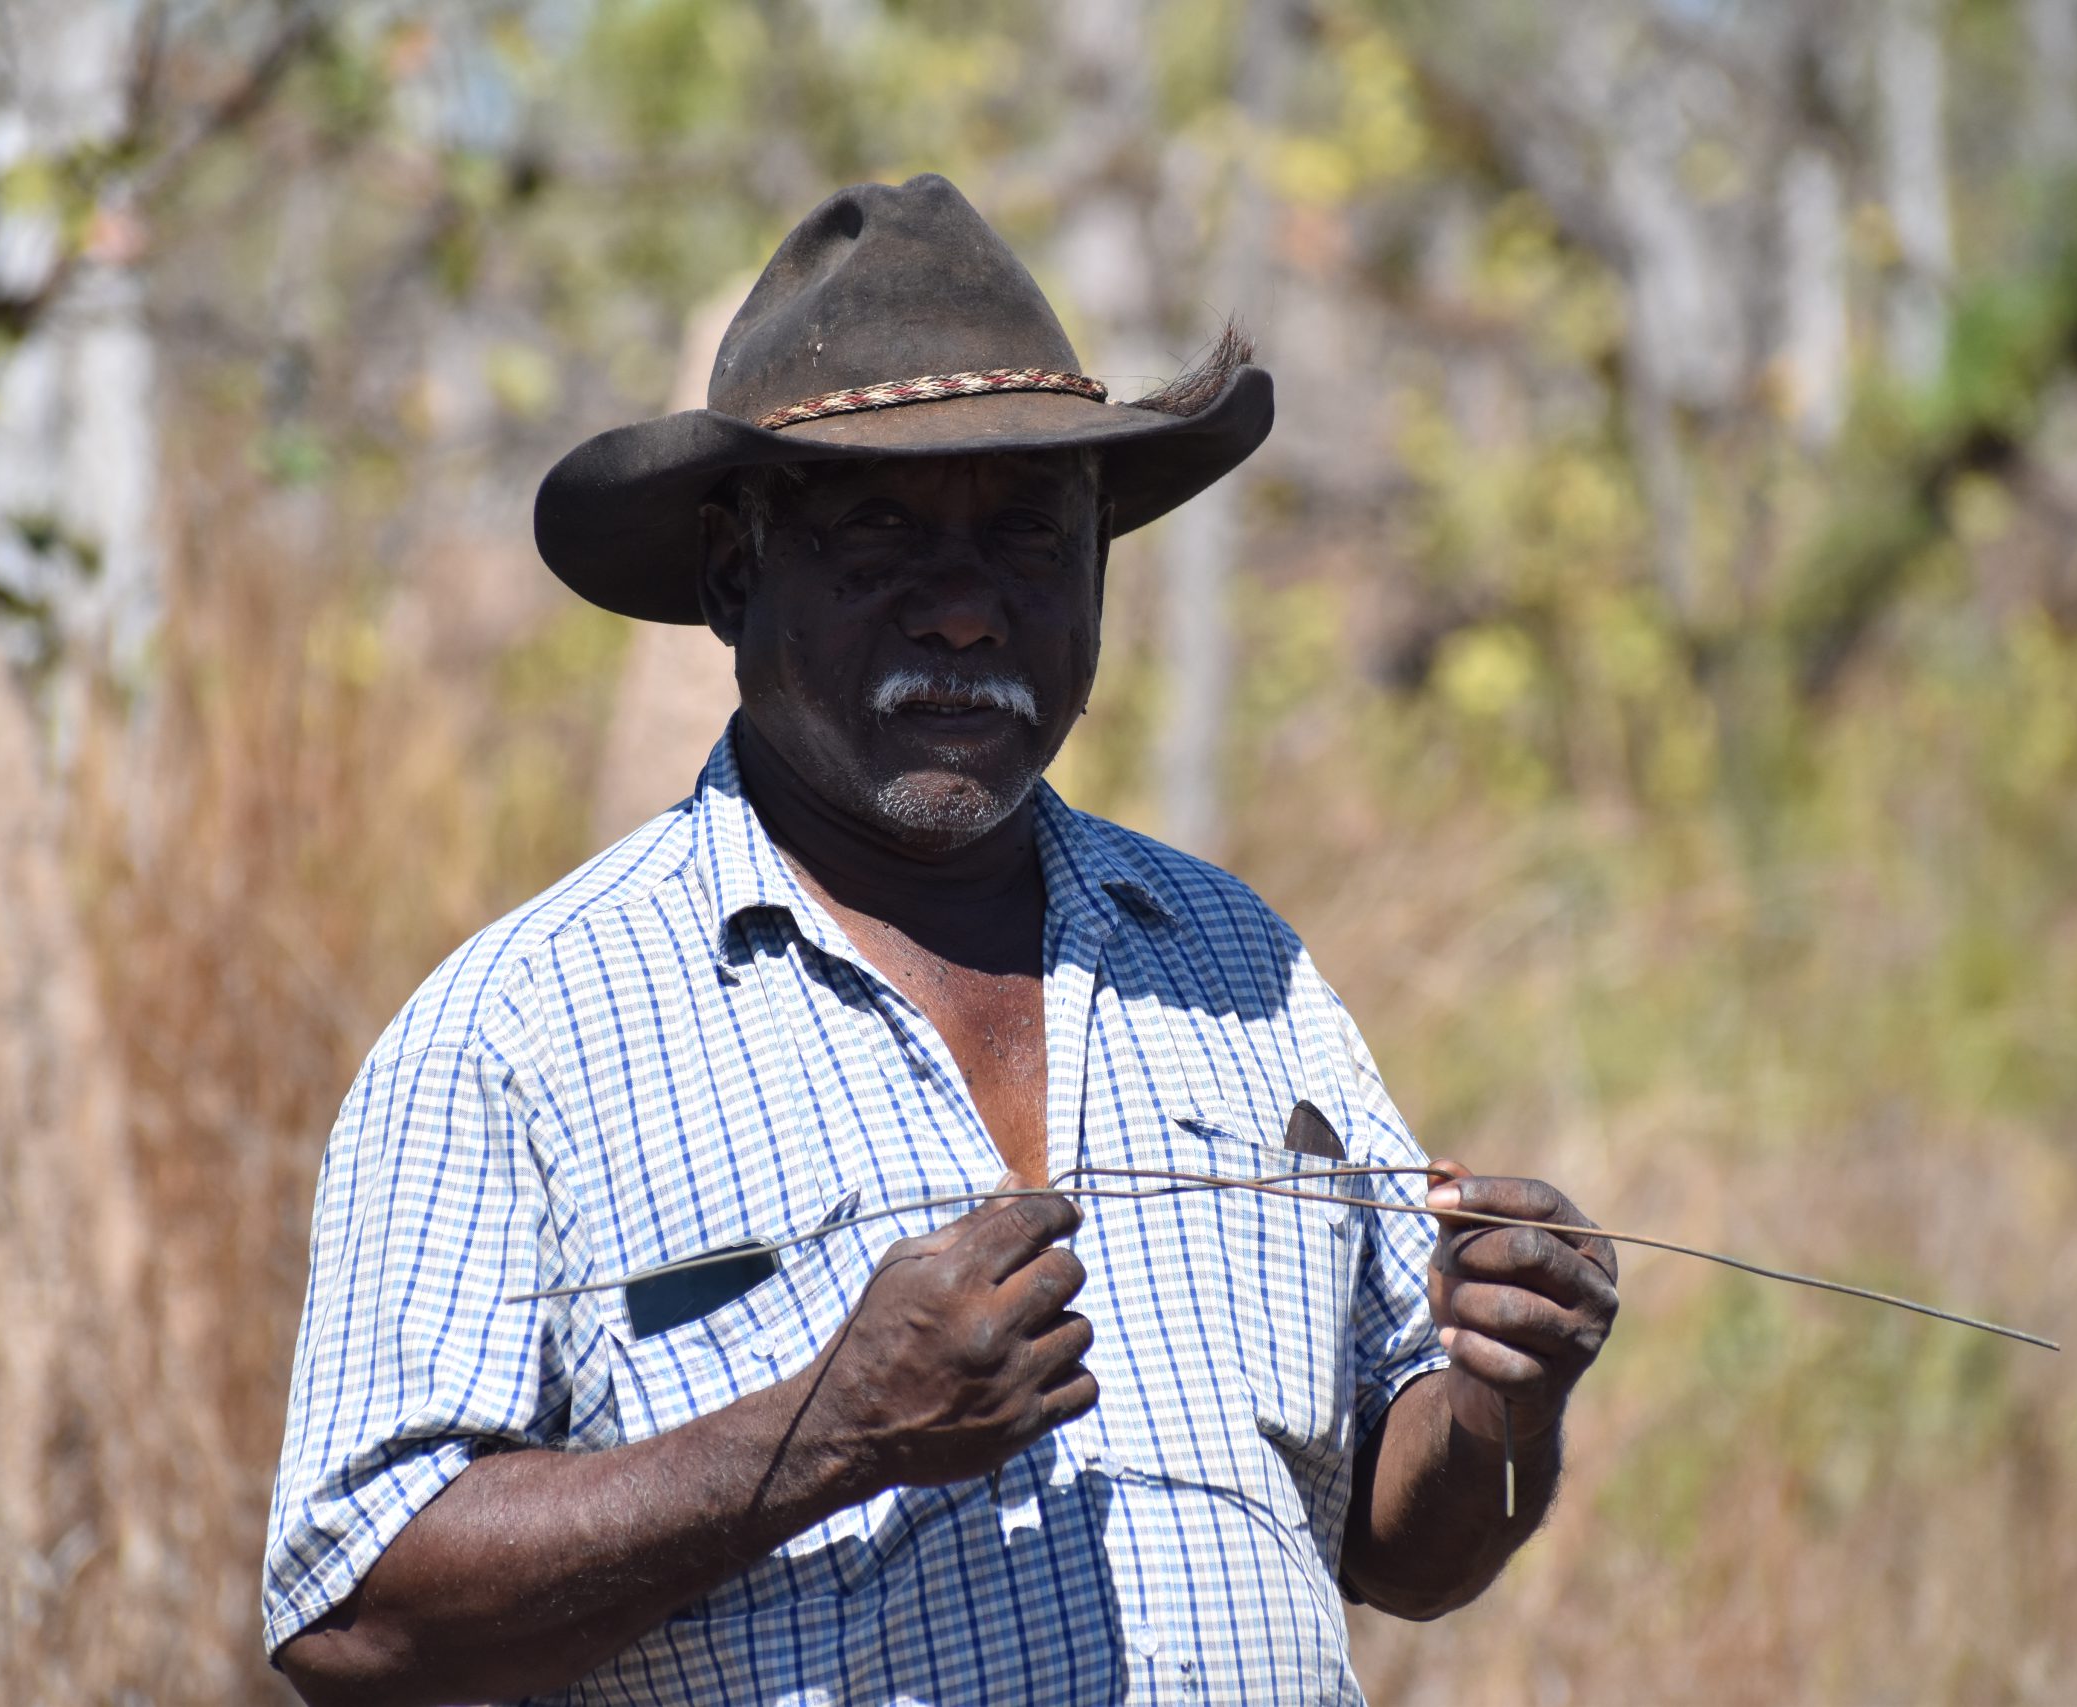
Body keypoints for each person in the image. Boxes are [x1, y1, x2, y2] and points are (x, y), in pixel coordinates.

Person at [263, 174, 1618, 1707]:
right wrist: (834, 1430)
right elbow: (354, 1616)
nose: (969, 613)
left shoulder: (1237, 966)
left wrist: (1507, 1398)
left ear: (1101, 571)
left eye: (1032, 539)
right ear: (732, 570)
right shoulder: (524, 1032)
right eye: (885, 535)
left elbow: (1402, 1551)